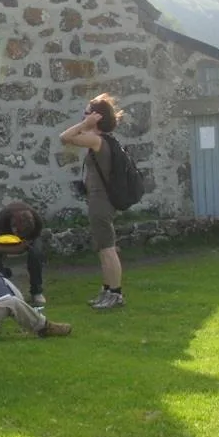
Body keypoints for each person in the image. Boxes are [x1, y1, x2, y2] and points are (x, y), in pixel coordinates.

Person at [59, 92, 125, 309]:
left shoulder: (97, 140)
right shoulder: (102, 140)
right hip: (99, 200)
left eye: (86, 113)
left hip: (101, 201)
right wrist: (87, 122)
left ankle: (115, 294)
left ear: (96, 117)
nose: (83, 117)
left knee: (107, 248)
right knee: (103, 247)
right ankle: (107, 290)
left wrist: (85, 124)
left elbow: (65, 137)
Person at [0, 201, 47, 306]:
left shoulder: (37, 222)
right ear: (12, 224)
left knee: (36, 253)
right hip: (4, 237)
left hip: (28, 240)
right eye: (17, 231)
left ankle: (37, 291)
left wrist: (24, 243)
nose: (18, 235)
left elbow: (28, 244)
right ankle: (4, 288)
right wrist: (9, 249)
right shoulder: (0, 220)